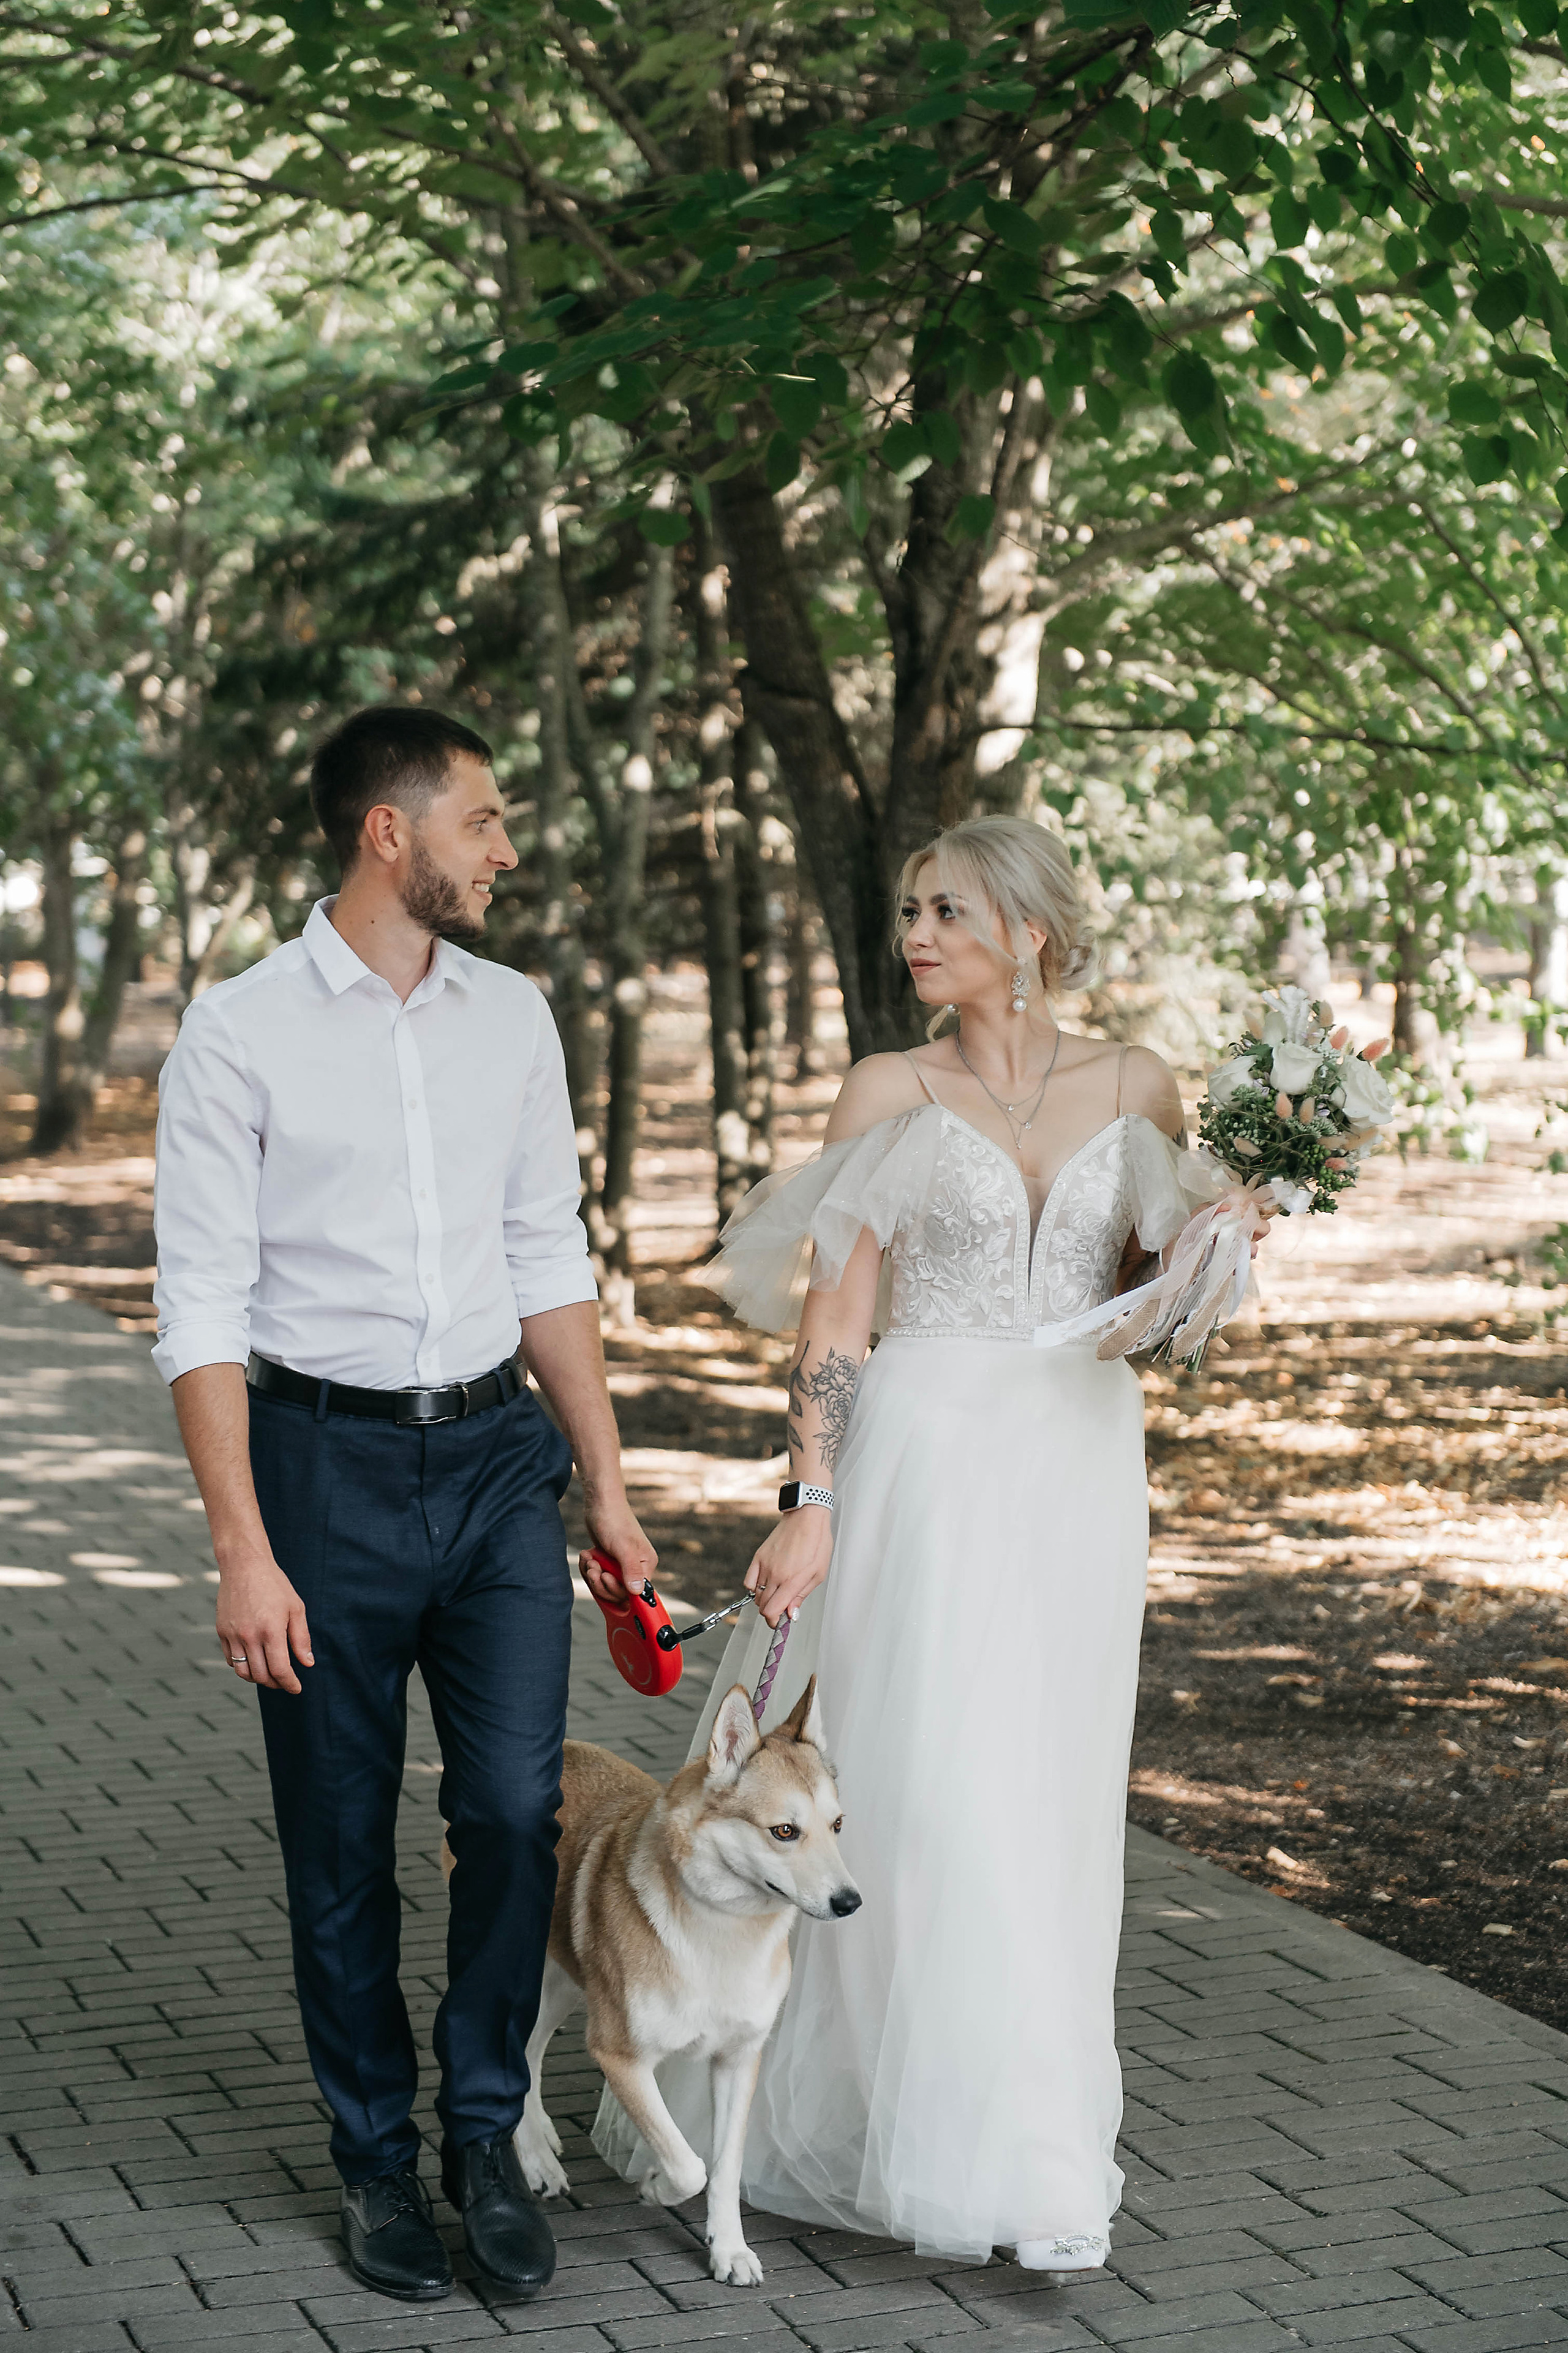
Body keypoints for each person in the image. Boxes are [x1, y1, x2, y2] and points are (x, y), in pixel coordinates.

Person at [595, 813, 1273, 2267]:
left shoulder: (1136, 1084)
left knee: (1047, 1806)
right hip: (920, 1461)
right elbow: (834, 1316)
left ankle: (1029, 2149)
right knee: (931, 1794)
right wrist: (810, 1498)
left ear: (1027, 932)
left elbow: (1159, 1311)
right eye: (908, 908)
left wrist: (1232, 1234)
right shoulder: (886, 1087)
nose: (915, 932)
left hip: (1077, 1470)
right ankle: (940, 2151)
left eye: (946, 909)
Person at [152, 706, 652, 2306]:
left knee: (513, 1808)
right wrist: (243, 1546)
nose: (508, 848)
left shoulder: (513, 1020)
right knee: (341, 1841)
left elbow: (549, 1257)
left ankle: (484, 2136)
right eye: (486, 820)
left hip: (499, 1460)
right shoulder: (237, 1032)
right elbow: (201, 1307)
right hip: (317, 1474)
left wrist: (613, 1487)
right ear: (392, 831)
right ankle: (373, 2155)